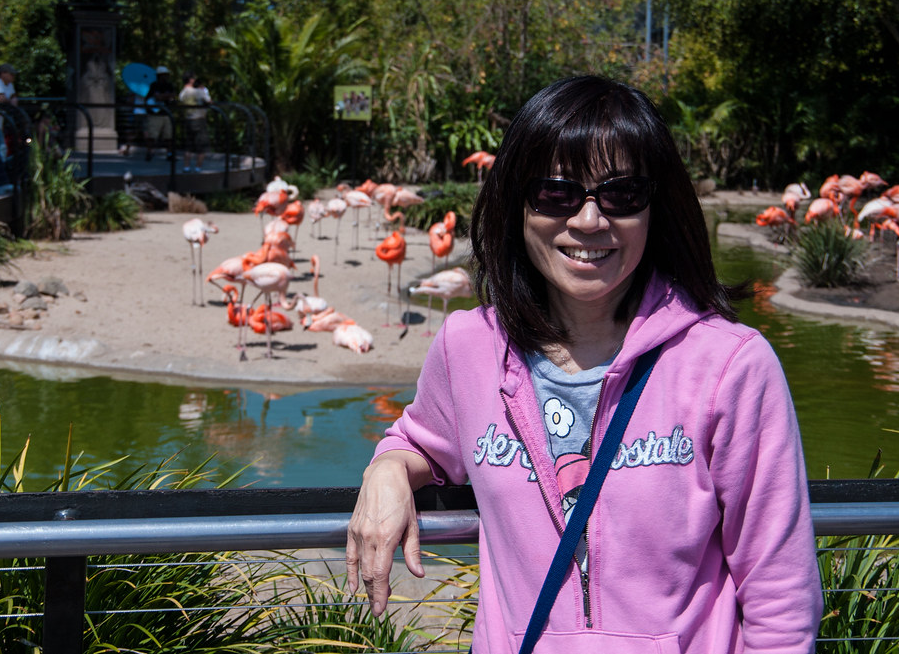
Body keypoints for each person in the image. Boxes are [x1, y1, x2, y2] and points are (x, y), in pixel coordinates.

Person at [346, 76, 822, 653]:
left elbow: (780, 595)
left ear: (656, 207)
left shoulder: (730, 365)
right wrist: (387, 471)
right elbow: (421, 439)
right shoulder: (468, 346)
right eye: (556, 192)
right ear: (516, 204)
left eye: (622, 194)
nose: (590, 221)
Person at [178, 71, 211, 173]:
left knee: (189, 144)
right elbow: (209, 100)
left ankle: (186, 167)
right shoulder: (197, 92)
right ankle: (198, 167)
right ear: (191, 79)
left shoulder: (182, 93)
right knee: (201, 144)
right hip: (199, 120)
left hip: (188, 120)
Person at [144, 65, 176, 161]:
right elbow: (158, 97)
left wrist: (164, 96)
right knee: (152, 135)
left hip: (166, 114)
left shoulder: (169, 85)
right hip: (155, 114)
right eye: (164, 75)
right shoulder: (154, 85)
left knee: (169, 136)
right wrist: (166, 96)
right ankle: (150, 152)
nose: (166, 77)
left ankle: (169, 153)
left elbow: (173, 96)